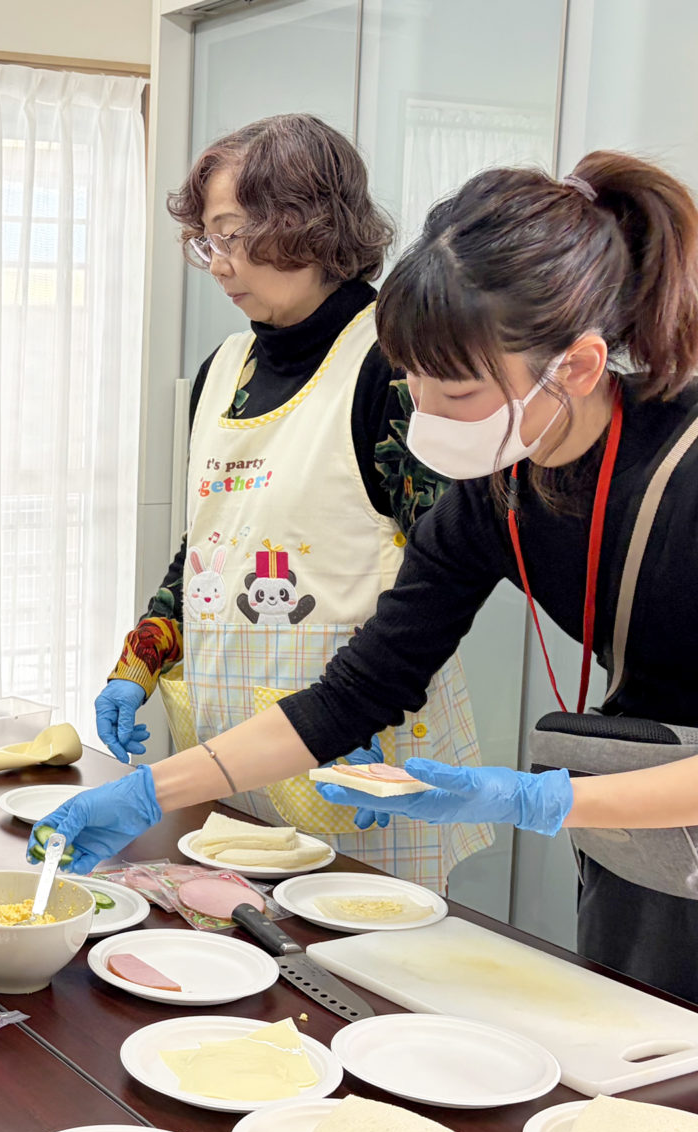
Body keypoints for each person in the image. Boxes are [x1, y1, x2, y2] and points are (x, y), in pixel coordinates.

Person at [36, 153, 698, 1101]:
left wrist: (527, 800)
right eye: (415, 383)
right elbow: (363, 687)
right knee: (646, 1102)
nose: (426, 416)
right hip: (653, 805)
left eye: (457, 392)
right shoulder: (497, 493)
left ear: (580, 364)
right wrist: (151, 790)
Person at [92, 115, 486, 891]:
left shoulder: (393, 368)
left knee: (362, 982)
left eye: (237, 236)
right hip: (234, 751)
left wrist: (364, 718)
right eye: (208, 240)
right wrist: (137, 662)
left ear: (314, 226)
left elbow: (444, 578)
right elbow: (205, 544)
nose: (219, 264)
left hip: (360, 761)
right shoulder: (224, 368)